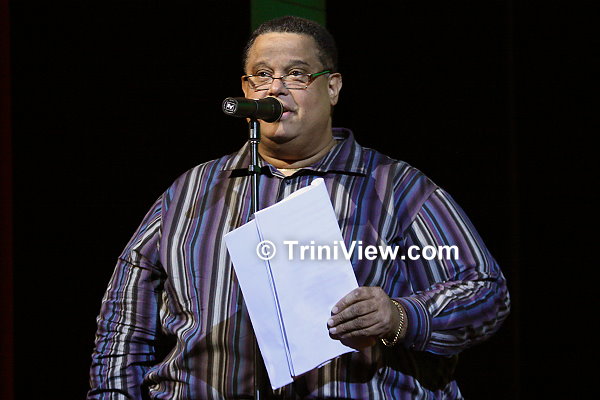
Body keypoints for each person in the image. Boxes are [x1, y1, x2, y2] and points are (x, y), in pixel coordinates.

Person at [88, 16, 510, 400]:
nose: (275, 88)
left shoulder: (397, 187)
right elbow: (123, 322)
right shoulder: (190, 192)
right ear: (245, 90)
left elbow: (485, 290)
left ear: (333, 87)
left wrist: (401, 316)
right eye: (262, 75)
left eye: (296, 74)